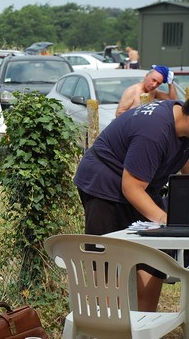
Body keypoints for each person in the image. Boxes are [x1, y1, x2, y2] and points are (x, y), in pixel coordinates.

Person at [74, 98, 189, 312]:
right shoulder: (154, 131)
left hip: (144, 187)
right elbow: (132, 188)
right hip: (105, 185)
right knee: (109, 265)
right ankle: (109, 329)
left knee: (154, 261)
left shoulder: (182, 127)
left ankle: (143, 326)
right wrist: (168, 222)